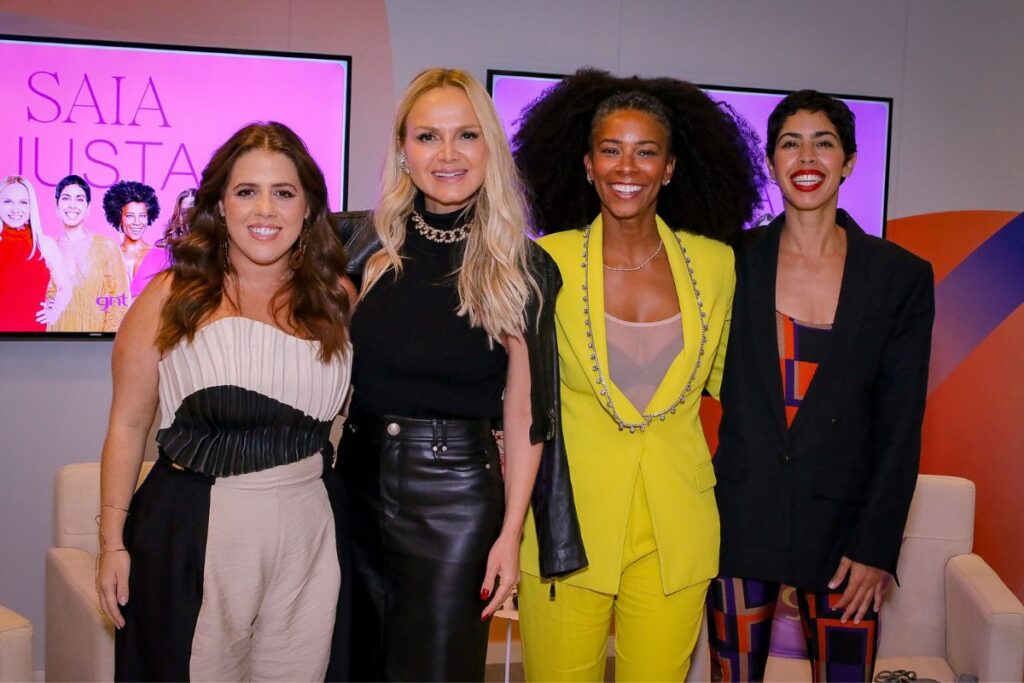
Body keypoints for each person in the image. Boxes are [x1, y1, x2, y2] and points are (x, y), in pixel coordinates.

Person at [512, 69, 764, 681]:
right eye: (612, 150)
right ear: (588, 165)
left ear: (671, 168)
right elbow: (514, 398)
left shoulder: (717, 263)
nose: (629, 166)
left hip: (677, 527)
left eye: (646, 151)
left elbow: (744, 391)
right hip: (566, 526)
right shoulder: (545, 261)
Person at [95, 122, 355, 681]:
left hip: (311, 528)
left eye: (283, 193)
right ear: (219, 203)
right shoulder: (170, 295)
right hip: (191, 528)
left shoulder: (338, 298)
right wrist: (111, 543)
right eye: (246, 191)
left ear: (308, 208)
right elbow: (128, 422)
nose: (266, 209)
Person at [334, 67, 567, 682]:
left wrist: (510, 534)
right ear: (403, 152)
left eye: (466, 135)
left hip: (457, 497)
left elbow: (524, 414)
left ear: (490, 148)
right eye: (427, 137)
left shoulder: (522, 267)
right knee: (352, 662)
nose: (447, 154)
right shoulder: (362, 246)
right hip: (352, 487)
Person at [709, 90, 934, 682]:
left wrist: (877, 548)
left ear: (850, 161)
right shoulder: (730, 261)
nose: (806, 156)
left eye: (823, 142)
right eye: (790, 142)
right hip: (737, 525)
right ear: (770, 161)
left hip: (845, 539)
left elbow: (900, 426)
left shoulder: (899, 277)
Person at [47, 174, 130, 332]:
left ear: (88, 208)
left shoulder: (106, 247)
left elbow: (119, 301)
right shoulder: (48, 249)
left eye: (79, 199)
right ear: (57, 206)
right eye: (65, 198)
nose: (72, 205)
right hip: (53, 342)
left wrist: (104, 342)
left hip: (95, 346)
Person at [0, 175, 70, 331]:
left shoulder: (45, 245)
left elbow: (66, 288)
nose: (15, 209)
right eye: (7, 201)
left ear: (31, 206)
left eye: (23, 202)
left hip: (32, 340)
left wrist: (54, 312)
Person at [102, 179, 160, 294]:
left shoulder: (158, 257)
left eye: (142, 216)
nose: (137, 222)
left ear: (148, 218)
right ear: (120, 218)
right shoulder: (109, 257)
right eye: (130, 216)